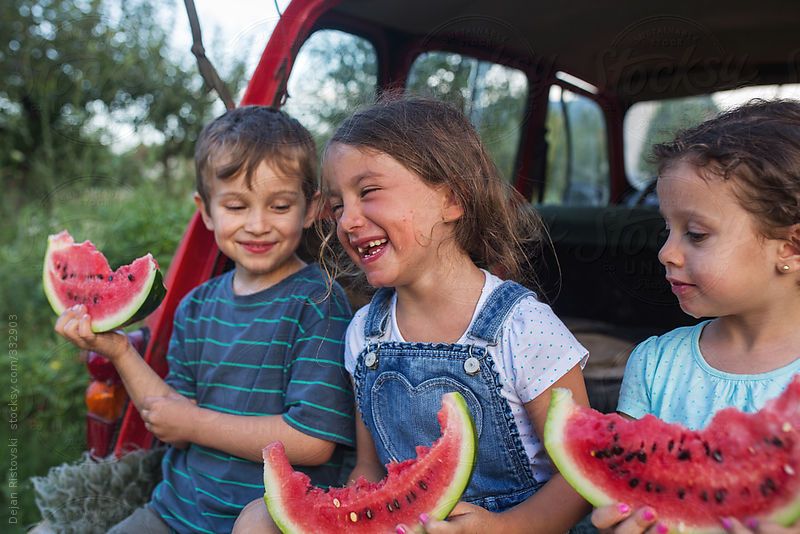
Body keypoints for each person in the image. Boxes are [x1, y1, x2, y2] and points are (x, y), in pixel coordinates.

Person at [234, 96, 593, 533]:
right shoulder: (364, 333)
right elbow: (368, 470)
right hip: (402, 525)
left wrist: (506, 528)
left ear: (452, 199)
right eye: (337, 205)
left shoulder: (523, 327)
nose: (347, 220)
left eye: (367, 193)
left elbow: (580, 476)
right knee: (258, 519)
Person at [55, 105, 356, 534]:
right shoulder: (195, 306)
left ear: (310, 210)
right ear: (207, 211)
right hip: (174, 514)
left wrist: (195, 422)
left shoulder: (319, 303)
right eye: (236, 205)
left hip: (269, 521)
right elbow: (171, 425)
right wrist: (119, 350)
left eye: (279, 205)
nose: (257, 224)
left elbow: (312, 442)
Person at [591, 99, 800, 534]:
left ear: (790, 248)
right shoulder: (654, 364)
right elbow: (625, 486)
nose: (666, 252)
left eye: (697, 235)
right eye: (666, 228)